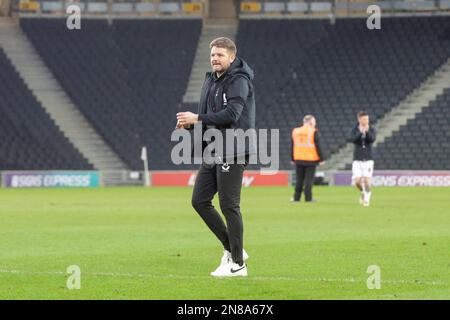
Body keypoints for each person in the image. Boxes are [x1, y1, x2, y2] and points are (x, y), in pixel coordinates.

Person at [176, 37, 255, 277]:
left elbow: (232, 114)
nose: (215, 59)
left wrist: (196, 118)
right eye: (212, 55)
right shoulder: (211, 80)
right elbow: (211, 115)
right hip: (213, 149)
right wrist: (190, 125)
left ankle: (238, 264)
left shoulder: (239, 80)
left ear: (232, 56)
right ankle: (231, 248)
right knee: (199, 200)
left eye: (220, 55)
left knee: (229, 205)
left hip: (234, 149)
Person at [291, 115, 325, 202]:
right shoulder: (313, 131)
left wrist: (292, 158)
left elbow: (292, 146)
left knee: (299, 180)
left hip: (298, 159)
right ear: (310, 122)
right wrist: (321, 159)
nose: (315, 124)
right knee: (309, 180)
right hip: (311, 159)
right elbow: (318, 146)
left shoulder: (295, 131)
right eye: (314, 122)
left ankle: (296, 198)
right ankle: (308, 198)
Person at [347, 111, 376, 207]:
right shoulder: (354, 129)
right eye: (364, 119)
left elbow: (372, 139)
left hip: (368, 158)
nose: (366, 121)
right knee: (357, 182)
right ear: (359, 119)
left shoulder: (371, 128)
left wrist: (367, 132)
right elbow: (352, 139)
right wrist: (360, 132)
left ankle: (367, 199)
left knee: (367, 181)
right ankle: (363, 192)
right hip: (357, 158)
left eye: (367, 119)